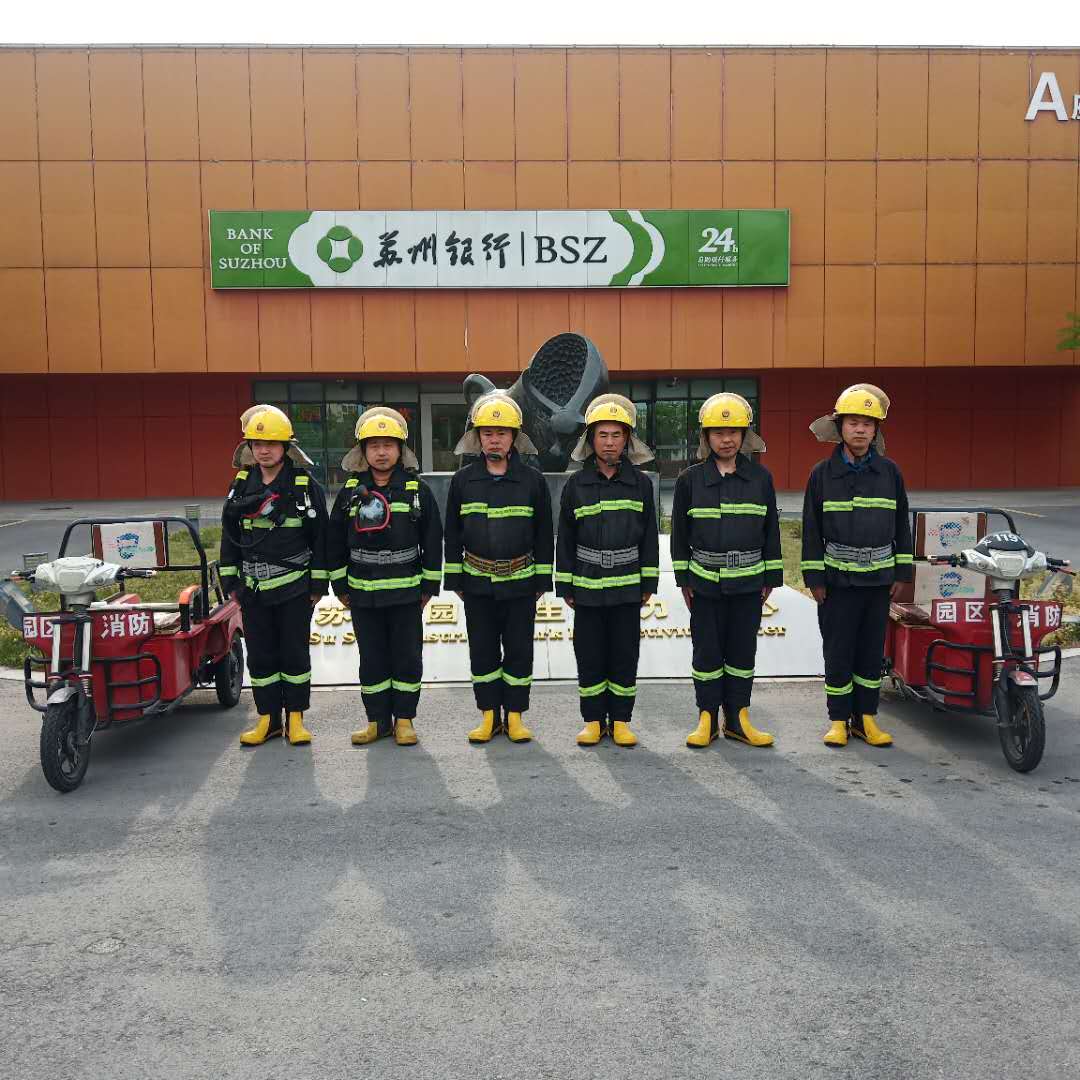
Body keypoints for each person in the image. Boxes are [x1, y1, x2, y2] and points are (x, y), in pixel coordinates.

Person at [801, 384, 914, 748]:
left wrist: (902, 572)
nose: (861, 430)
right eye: (853, 422)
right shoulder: (822, 474)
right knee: (838, 651)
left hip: (878, 582)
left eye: (867, 423)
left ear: (876, 429)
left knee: (869, 652)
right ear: (840, 427)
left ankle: (866, 718)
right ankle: (838, 720)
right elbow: (811, 530)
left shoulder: (890, 473)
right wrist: (814, 578)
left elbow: (901, 525)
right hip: (837, 583)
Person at [672, 393, 783, 749]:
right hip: (705, 583)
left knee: (741, 653)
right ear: (706, 436)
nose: (726, 439)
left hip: (748, 583)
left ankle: (737, 718)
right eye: (718, 432)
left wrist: (771, 577)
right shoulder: (689, 480)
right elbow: (679, 536)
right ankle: (707, 717)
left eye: (733, 431)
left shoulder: (760, 479)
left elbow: (771, 531)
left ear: (744, 435)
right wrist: (684, 580)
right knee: (706, 652)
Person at [327, 408, 442, 747]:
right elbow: (334, 541)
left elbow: (432, 540)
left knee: (407, 658)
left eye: (388, 445)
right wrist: (340, 586)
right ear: (362, 451)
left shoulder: (417, 490)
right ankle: (377, 721)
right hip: (363, 594)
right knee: (372, 659)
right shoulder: (349, 492)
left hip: (407, 593)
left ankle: (404, 720)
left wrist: (428, 587)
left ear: (400, 450)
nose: (381, 452)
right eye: (374, 445)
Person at [443, 392, 554, 744]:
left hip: (521, 583)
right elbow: (452, 533)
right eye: (487, 433)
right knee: (483, 651)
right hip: (477, 583)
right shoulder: (463, 481)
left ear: (514, 437)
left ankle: (515, 717)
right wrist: (456, 579)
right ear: (477, 437)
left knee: (520, 651)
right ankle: (489, 716)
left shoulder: (533, 480)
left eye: (502, 433)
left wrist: (542, 579)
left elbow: (544, 533)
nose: (494, 439)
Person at [219, 405, 329, 747]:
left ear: (285, 447)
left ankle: (295, 718)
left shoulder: (304, 486)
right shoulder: (241, 485)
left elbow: (321, 539)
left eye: (270, 444)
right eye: (257, 444)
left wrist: (317, 585)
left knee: (294, 654)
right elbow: (229, 535)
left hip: (294, 587)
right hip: (253, 590)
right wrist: (230, 582)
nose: (263, 450)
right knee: (261, 655)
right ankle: (268, 719)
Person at [555, 395, 659, 748]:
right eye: (603, 435)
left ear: (627, 439)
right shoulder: (576, 484)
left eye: (617, 435)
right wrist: (565, 583)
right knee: (589, 655)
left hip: (628, 587)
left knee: (625, 654)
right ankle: (593, 721)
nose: (610, 442)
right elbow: (566, 538)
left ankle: (622, 721)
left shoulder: (641, 484)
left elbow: (649, 537)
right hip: (587, 584)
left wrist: (649, 580)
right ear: (591, 440)